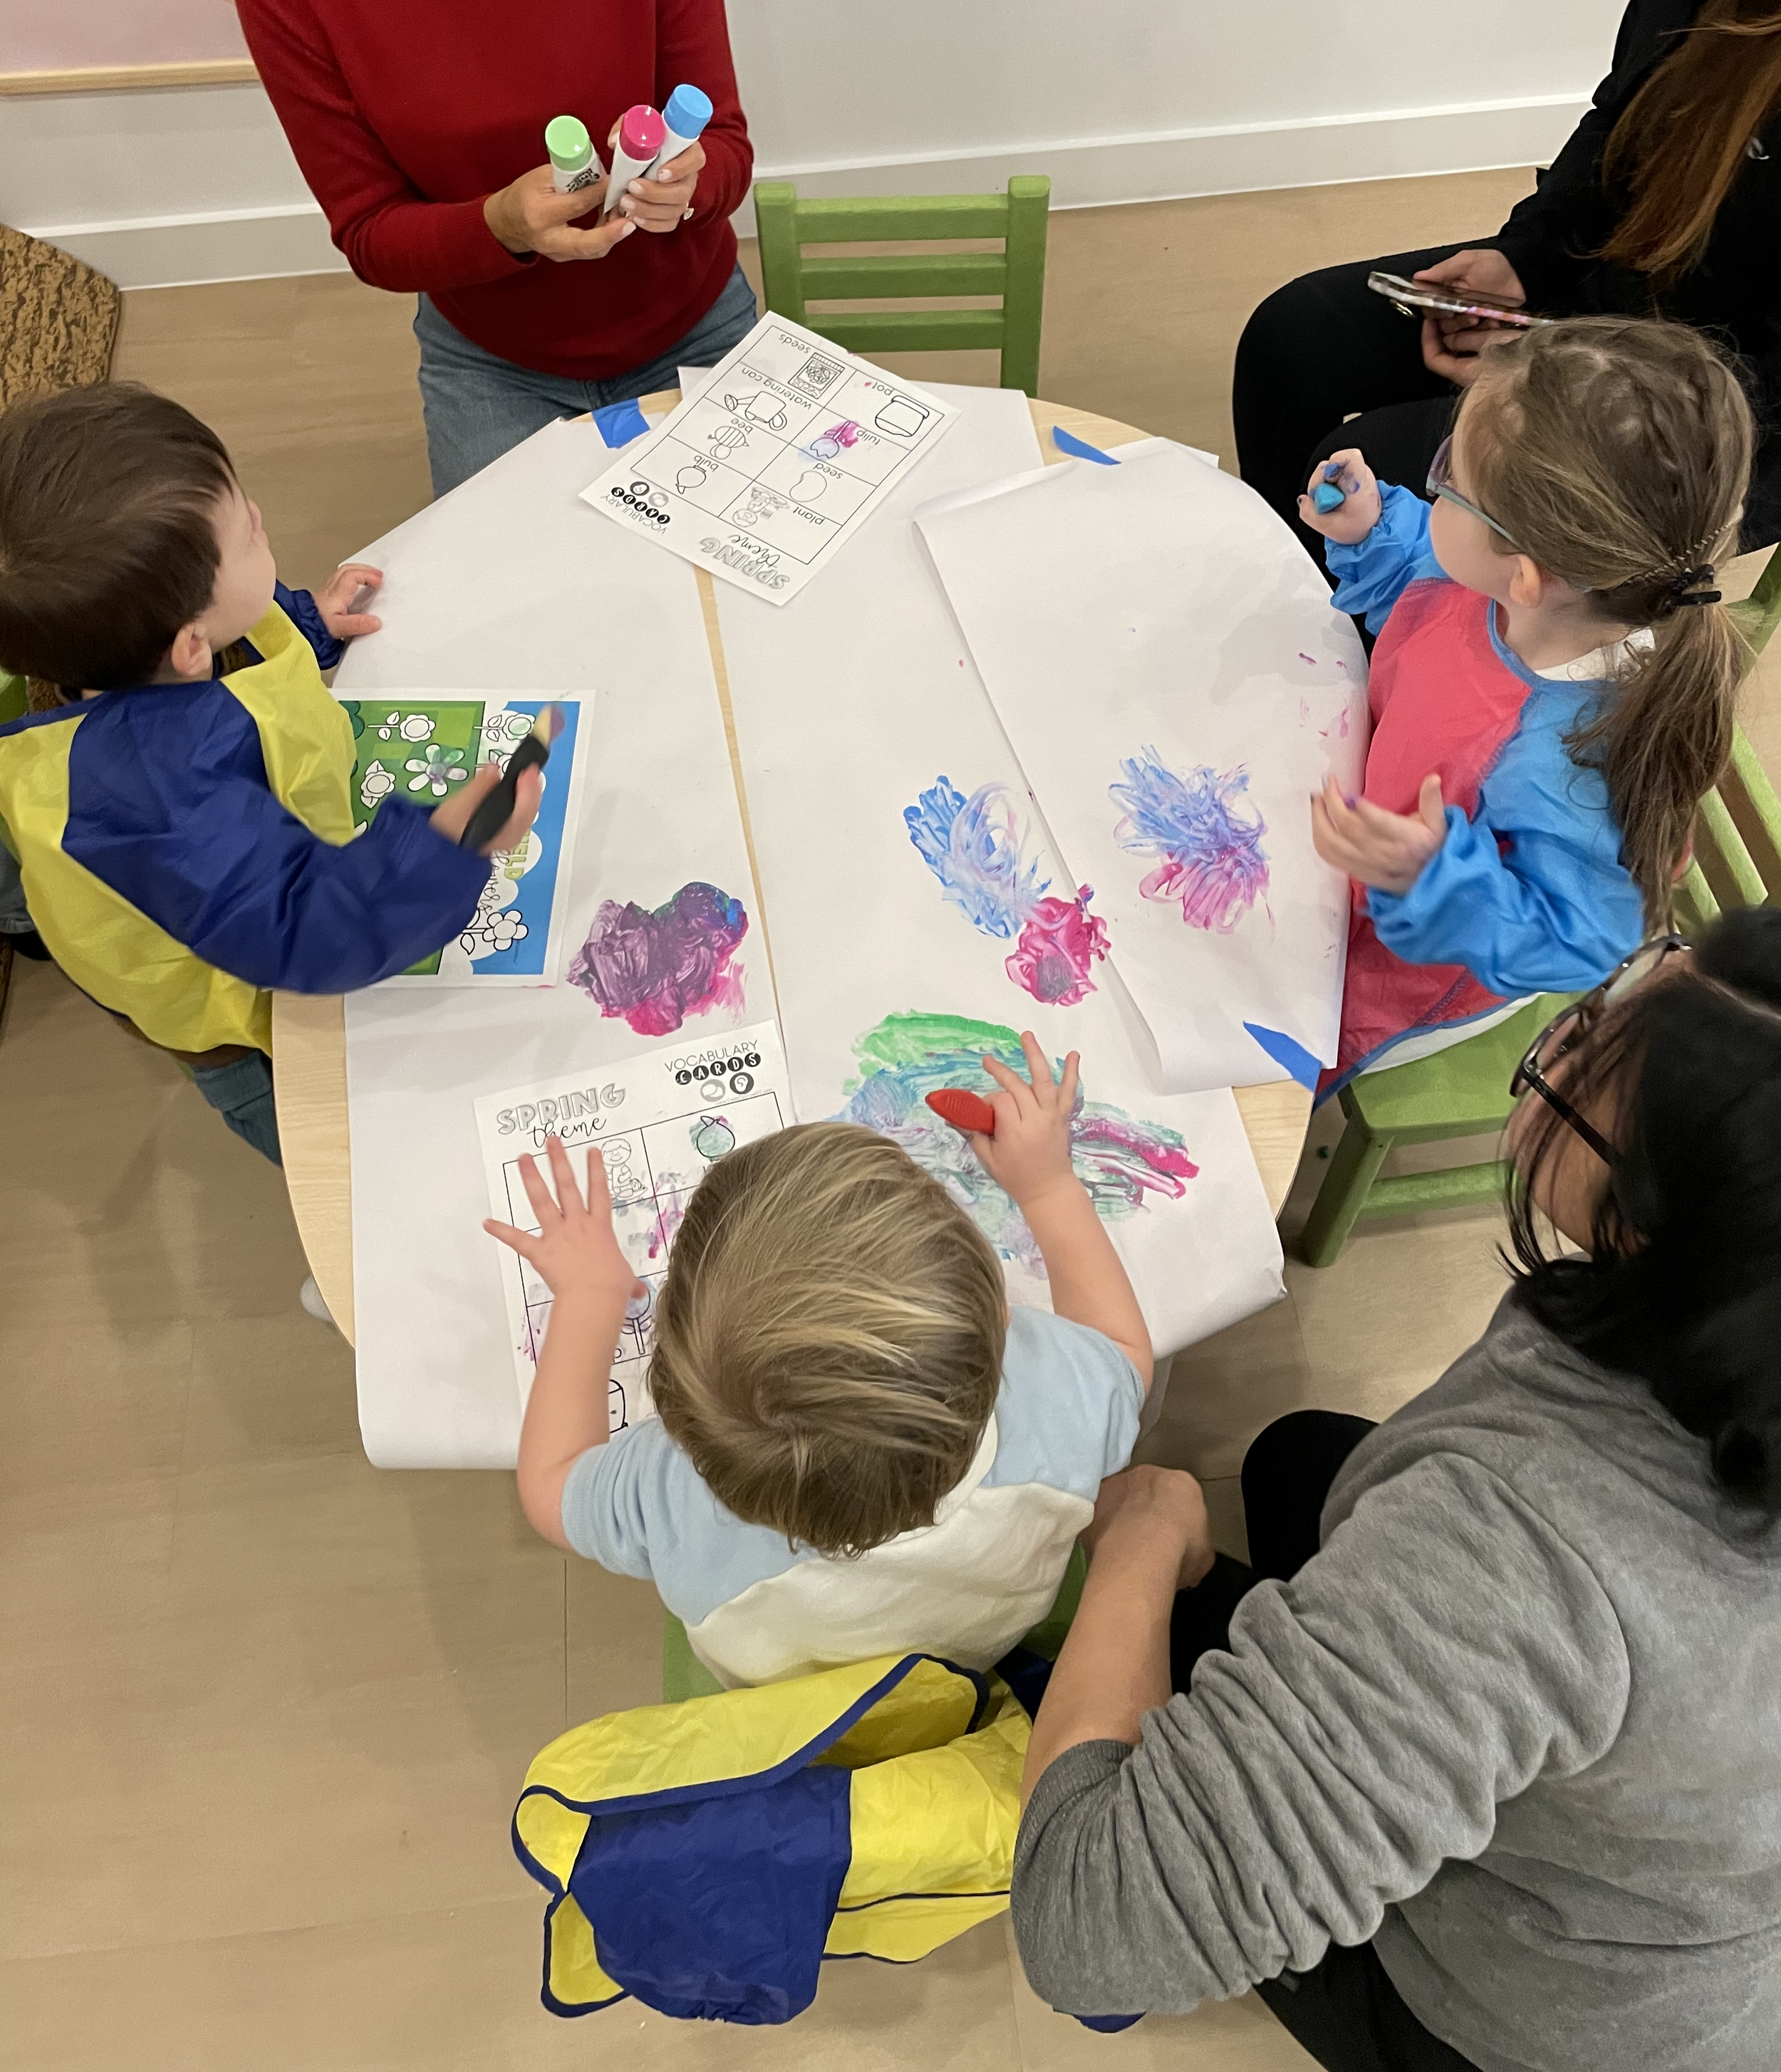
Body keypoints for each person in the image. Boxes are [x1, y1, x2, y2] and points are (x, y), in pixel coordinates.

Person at [1012, 911, 1781, 2072]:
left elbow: (1081, 1921)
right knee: (1295, 1461)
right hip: (1679, 1836)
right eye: (1644, 982)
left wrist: (1140, 1537)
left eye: (1602, 1054)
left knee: (1142, 1605)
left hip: (1529, 2016)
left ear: (1664, 1229)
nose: (1576, 1025)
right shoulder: (1709, 1348)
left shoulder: (1528, 1552)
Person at [487, 1036, 1156, 1688]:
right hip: (983, 1647)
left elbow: (551, 1486)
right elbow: (1125, 1354)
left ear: (681, 1405)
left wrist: (587, 1297)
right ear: (1001, 1319)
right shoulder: (1053, 1400)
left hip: (792, 1704)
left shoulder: (672, 1494)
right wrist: (1047, 1190)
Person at [0, 383, 539, 1165]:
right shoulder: (160, 800)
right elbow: (303, 926)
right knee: (336, 1156)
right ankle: (341, 1250)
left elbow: (242, 632)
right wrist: (443, 850)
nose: (259, 516)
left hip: (239, 866)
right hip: (249, 1022)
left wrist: (308, 623)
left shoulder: (149, 640)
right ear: (190, 644)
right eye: (245, 533)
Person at [1299, 315, 1751, 1090]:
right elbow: (1435, 576)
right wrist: (1379, 532)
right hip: (1356, 833)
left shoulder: (1563, 759)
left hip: (1419, 955)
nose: (1430, 481)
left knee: (1259, 1068)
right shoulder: (1525, 591)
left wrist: (1432, 878)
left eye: (1447, 479)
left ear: (1528, 573)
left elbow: (1587, 940)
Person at [1234, 0, 1781, 561]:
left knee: (1365, 466)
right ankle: (1294, 597)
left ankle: (1399, 637)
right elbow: (1618, 118)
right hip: (1611, 297)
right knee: (1291, 340)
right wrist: (1525, 256)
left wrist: (1562, 376)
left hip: (1715, 412)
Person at [237, 0, 759, 497]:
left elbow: (723, 143)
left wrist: (691, 184)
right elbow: (370, 232)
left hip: (691, 320)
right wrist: (499, 225)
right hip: (491, 357)